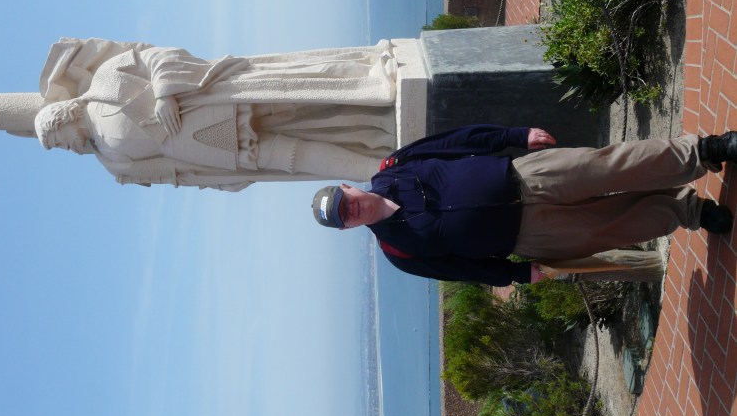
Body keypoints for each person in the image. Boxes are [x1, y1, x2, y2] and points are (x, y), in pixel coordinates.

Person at [311, 124, 736, 286]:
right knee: (612, 228)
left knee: (612, 165)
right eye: (343, 217)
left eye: (344, 201)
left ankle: (705, 150)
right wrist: (514, 273)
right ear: (347, 228)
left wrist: (514, 136)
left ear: (348, 187)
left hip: (526, 175)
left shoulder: (396, 165)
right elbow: (460, 270)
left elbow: (456, 141)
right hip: (527, 236)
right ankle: (690, 211)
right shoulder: (398, 252)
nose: (351, 210)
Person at [34, 38, 398, 190]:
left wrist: (164, 93)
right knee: (295, 157)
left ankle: (367, 87)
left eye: (58, 142)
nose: (67, 148)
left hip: (217, 102)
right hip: (218, 153)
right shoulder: (114, 165)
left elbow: (157, 56)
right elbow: (173, 174)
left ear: (64, 117)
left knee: (301, 97)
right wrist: (217, 179)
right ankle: (382, 167)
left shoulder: (105, 81)